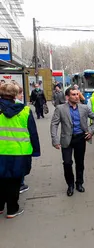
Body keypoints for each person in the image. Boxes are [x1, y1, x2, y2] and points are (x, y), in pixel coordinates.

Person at [0, 83, 40, 218]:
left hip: (1, 152)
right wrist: (35, 151)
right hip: (20, 153)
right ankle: (12, 209)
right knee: (15, 180)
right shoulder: (25, 111)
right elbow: (32, 133)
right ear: (15, 94)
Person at [50, 87, 94, 196]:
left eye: (77, 94)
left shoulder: (84, 108)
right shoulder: (60, 108)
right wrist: (55, 139)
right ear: (67, 97)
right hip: (66, 139)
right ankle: (70, 185)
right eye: (73, 94)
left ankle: (79, 183)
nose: (76, 96)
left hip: (81, 138)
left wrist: (91, 131)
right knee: (67, 163)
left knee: (79, 162)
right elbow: (54, 124)